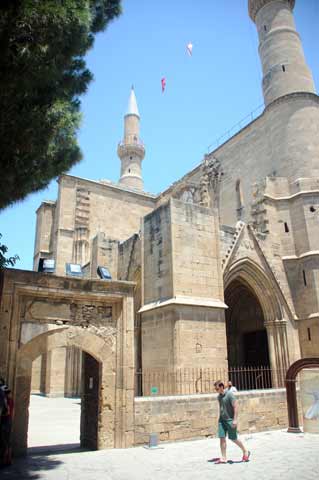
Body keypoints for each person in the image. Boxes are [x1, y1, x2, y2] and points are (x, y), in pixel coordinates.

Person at [214, 380, 250, 464]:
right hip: (222, 421)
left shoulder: (230, 394)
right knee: (222, 438)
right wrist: (218, 419)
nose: (216, 390)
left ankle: (245, 451)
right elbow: (220, 408)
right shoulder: (219, 397)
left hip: (230, 420)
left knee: (233, 438)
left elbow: (235, 406)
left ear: (221, 387)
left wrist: (235, 420)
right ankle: (224, 457)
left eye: (217, 389)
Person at [0, 386, 14, 467]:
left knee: (4, 441)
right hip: (8, 421)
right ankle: (8, 459)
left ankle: (5, 459)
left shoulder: (6, 401)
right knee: (7, 441)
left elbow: (6, 412)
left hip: (5, 422)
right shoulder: (10, 400)